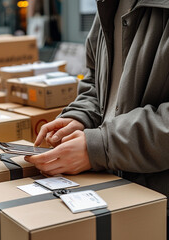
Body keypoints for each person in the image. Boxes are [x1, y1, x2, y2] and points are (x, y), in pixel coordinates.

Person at [25, 0, 169, 237]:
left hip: (158, 206)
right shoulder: (110, 3)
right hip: (116, 188)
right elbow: (95, 79)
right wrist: (81, 116)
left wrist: (101, 146)